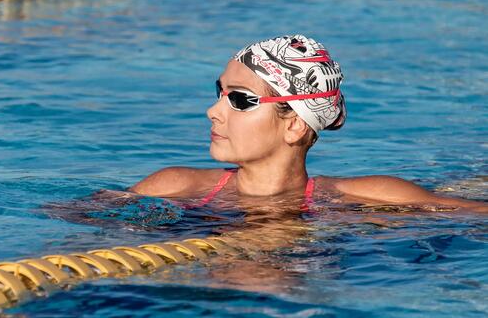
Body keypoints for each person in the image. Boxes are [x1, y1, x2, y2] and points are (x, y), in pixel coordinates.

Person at [129, 35, 487, 213]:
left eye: (239, 99)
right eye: (218, 92)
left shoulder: (369, 197)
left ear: (296, 126)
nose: (213, 110)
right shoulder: (171, 186)